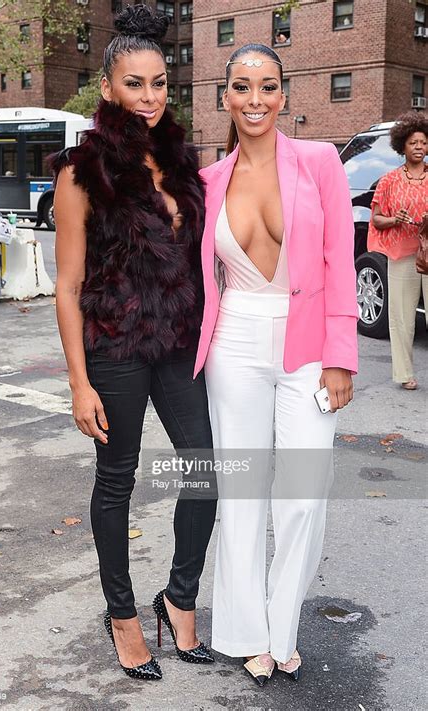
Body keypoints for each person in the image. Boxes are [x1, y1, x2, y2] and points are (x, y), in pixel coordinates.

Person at [51, 4, 216, 682]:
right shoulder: (79, 169)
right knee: (115, 481)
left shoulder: (181, 161)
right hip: (114, 348)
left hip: (176, 344)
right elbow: (65, 285)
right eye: (135, 84)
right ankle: (121, 614)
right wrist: (79, 381)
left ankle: (178, 597)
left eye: (158, 85)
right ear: (109, 88)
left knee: (205, 471)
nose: (149, 97)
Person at [193, 44, 358, 685]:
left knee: (299, 498)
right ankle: (249, 635)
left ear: (284, 95)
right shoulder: (208, 182)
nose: (255, 99)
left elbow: (340, 263)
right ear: (225, 97)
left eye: (267, 86)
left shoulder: (319, 163)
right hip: (234, 342)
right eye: (242, 86)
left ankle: (283, 629)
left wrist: (341, 356)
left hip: (309, 345)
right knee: (240, 494)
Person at [367, 111, 428, 390]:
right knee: (402, 317)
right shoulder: (389, 181)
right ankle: (405, 374)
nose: (419, 147)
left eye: (424, 143)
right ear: (402, 145)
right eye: (414, 142)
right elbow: (377, 219)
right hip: (402, 253)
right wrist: (395, 219)